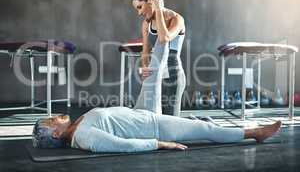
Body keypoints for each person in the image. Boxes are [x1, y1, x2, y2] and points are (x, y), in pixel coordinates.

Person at [32, 106, 281, 153]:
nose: (56, 117)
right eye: (53, 121)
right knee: (205, 128)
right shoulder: (85, 136)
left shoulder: (78, 126)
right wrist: (160, 143)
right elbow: (122, 146)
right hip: (156, 128)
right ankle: (254, 133)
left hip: (148, 117)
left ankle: (247, 131)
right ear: (56, 134)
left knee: (202, 126)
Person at [131, 0, 186, 116]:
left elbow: (164, 38)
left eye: (140, 7)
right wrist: (144, 68)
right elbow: (146, 52)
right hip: (155, 76)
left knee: (170, 122)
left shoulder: (176, 19)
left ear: (151, 1)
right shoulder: (146, 24)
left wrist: (159, 9)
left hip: (172, 77)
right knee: (153, 119)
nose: (139, 13)